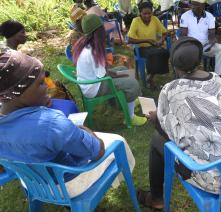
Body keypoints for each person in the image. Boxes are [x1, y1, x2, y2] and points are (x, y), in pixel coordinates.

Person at [136, 37, 221, 210]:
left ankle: (156, 198)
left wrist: (156, 119)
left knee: (157, 139)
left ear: (174, 65)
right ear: (199, 60)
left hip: (215, 180)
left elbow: (165, 130)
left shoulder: (170, 89)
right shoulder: (216, 79)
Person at [0, 48, 136, 198]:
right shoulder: (51, 123)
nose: (48, 86)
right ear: (18, 94)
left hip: (31, 183)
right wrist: (85, 130)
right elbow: (98, 151)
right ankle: (124, 182)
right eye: (40, 84)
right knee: (118, 141)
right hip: (65, 185)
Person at [73, 14, 147, 126]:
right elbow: (104, 76)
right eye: (102, 28)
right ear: (98, 32)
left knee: (124, 70)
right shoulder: (93, 51)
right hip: (94, 87)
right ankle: (130, 117)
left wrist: (120, 73)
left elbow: (102, 71)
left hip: (89, 83)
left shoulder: (86, 44)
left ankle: (129, 100)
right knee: (132, 83)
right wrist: (120, 75)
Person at [180, 0, 221, 78]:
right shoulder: (185, 16)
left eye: (196, 5)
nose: (193, 7)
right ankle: (189, 76)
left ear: (203, 6)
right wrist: (194, 46)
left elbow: (212, 35)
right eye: (192, 4)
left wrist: (211, 42)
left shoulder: (210, 17)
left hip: (205, 45)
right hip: (190, 45)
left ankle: (218, 77)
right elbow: (183, 36)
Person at [127, 2, 170, 89]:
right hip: (140, 48)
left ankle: (150, 77)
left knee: (164, 52)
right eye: (144, 14)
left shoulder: (155, 19)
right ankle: (150, 80)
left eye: (149, 13)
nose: (147, 16)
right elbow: (130, 39)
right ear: (140, 13)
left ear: (152, 12)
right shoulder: (136, 21)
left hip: (152, 47)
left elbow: (165, 32)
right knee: (154, 54)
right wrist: (147, 40)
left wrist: (161, 40)